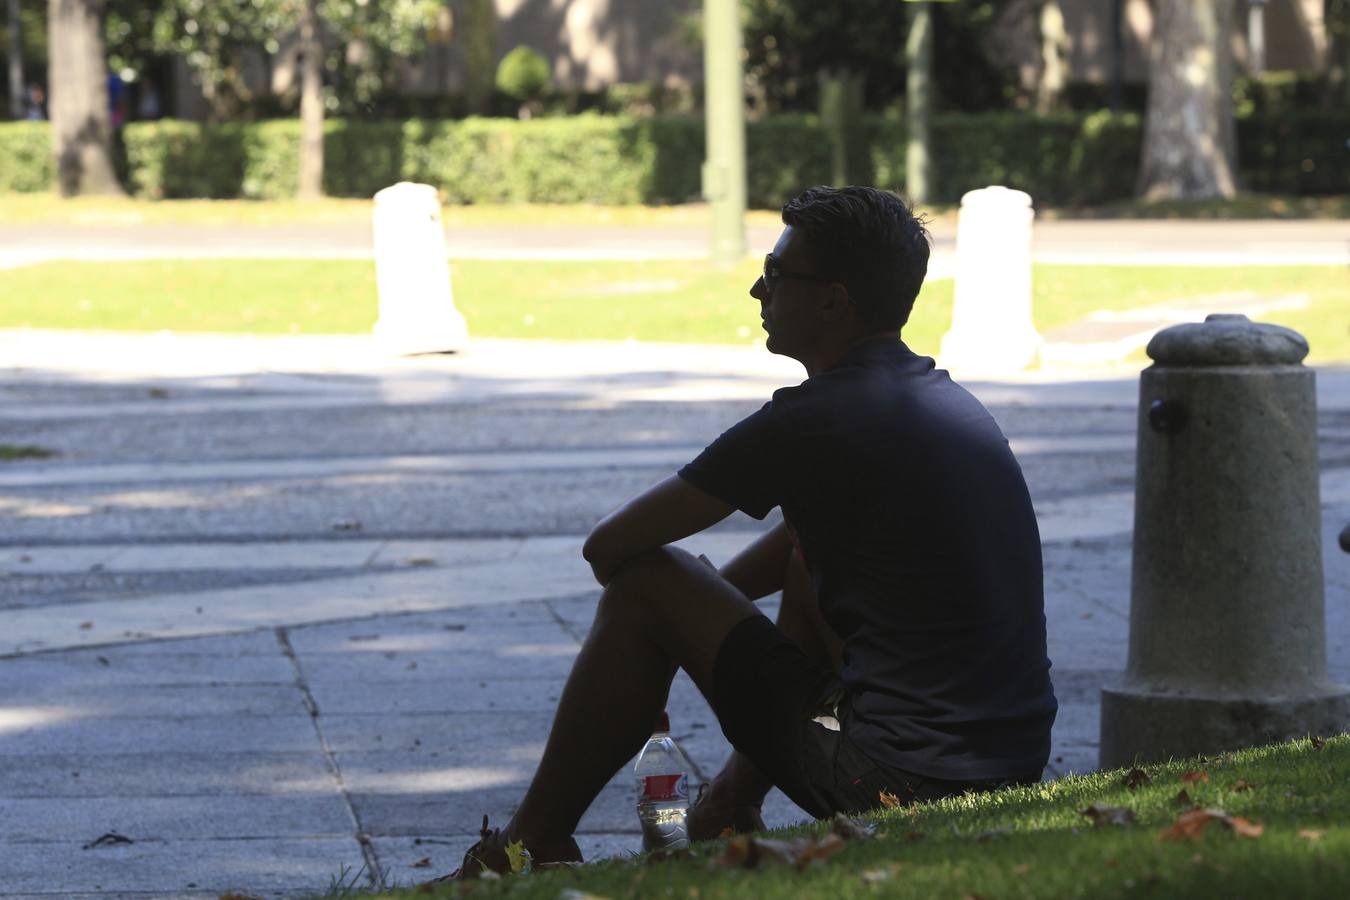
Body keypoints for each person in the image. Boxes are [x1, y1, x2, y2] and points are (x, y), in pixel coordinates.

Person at [444, 185, 1057, 879]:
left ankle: (531, 844)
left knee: (645, 585)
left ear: (833, 300)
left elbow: (611, 549)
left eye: (776, 273)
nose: (756, 290)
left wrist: (682, 614)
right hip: (996, 768)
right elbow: (803, 540)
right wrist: (705, 615)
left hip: (895, 782)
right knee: (794, 564)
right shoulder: (934, 397)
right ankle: (724, 810)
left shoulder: (811, 420)